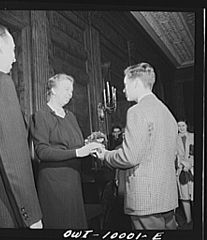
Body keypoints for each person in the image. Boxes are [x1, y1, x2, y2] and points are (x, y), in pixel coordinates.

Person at [96, 62, 178, 230]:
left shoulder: (136, 111)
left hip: (145, 199)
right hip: (167, 196)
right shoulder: (167, 112)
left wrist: (105, 155)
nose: (124, 90)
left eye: (125, 85)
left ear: (136, 83)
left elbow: (129, 157)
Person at [0, 20, 42, 228]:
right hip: (0, 209)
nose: (15, 58)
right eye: (13, 49)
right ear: (0, 44)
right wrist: (32, 216)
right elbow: (13, 157)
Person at [30, 73, 102, 229]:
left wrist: (90, 143)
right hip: (54, 183)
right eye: (66, 89)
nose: (70, 94)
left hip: (73, 180)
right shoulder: (41, 115)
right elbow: (42, 151)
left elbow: (73, 145)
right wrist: (78, 152)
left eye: (71, 91)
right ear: (53, 90)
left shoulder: (70, 116)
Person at [176, 120, 194, 229]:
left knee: (194, 195)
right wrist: (182, 164)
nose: (181, 128)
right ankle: (189, 220)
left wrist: (190, 164)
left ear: (186, 125)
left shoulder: (193, 136)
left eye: (183, 125)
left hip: (192, 169)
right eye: (179, 126)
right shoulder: (174, 139)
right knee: (184, 196)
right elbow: (174, 154)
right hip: (181, 170)